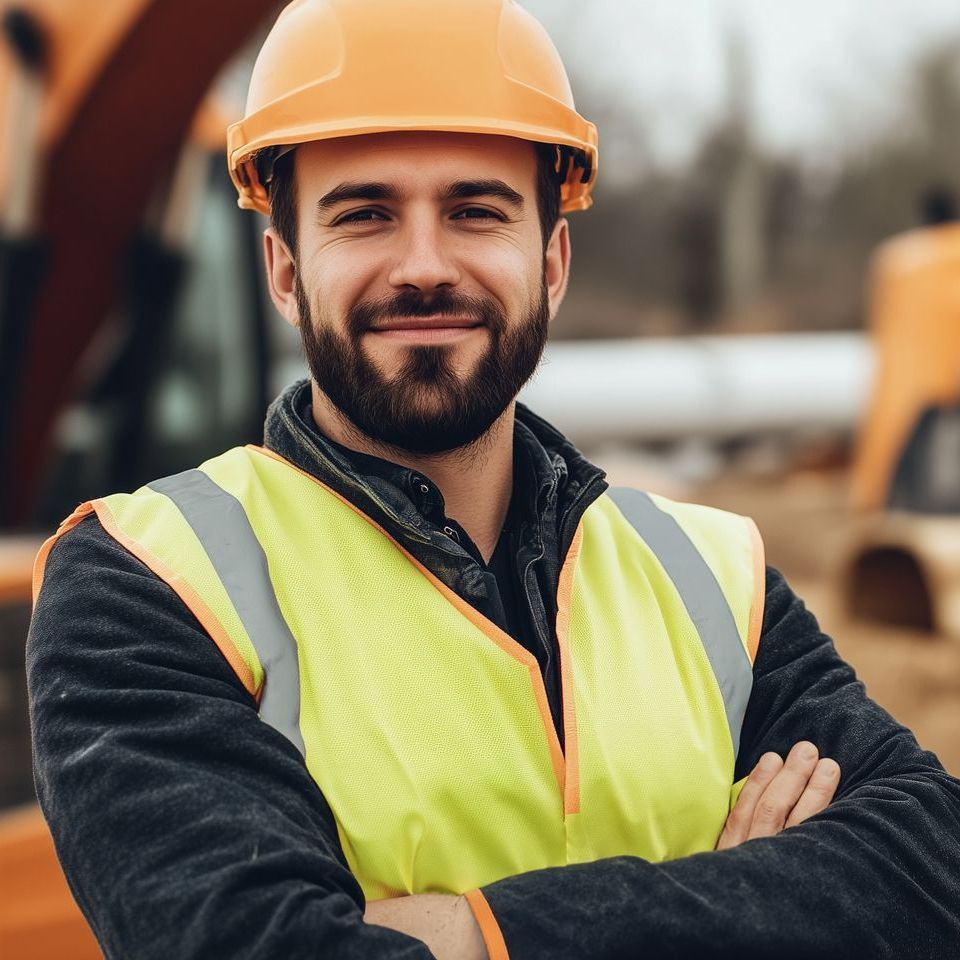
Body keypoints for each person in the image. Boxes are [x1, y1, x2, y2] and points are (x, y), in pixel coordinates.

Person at [28, 2, 960, 958]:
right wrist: (751, 900)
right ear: (284, 270)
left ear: (551, 262)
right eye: (364, 214)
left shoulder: (715, 576)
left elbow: (932, 866)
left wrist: (460, 933)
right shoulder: (145, 583)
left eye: (476, 211)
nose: (424, 267)